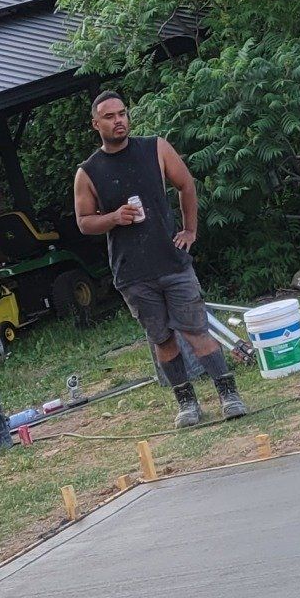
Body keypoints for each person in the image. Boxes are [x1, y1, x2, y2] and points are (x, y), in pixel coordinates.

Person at [75, 92, 247, 427]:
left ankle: (229, 395)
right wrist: (112, 218)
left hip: (173, 262)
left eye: (122, 114)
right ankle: (187, 404)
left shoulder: (155, 147)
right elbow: (84, 222)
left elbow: (186, 185)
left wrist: (190, 230)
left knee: (197, 331)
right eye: (109, 117)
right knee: (162, 340)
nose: (118, 120)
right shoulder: (88, 172)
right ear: (96, 124)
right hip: (133, 273)